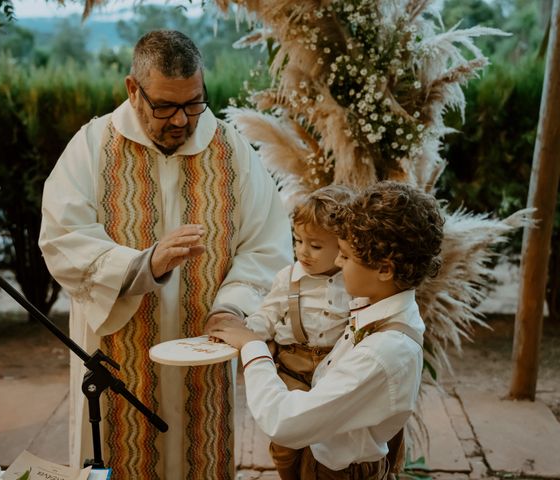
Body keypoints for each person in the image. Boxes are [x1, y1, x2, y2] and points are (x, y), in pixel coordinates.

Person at [38, 30, 292, 480]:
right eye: (165, 106)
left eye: (194, 103)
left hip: (205, 356)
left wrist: (232, 308)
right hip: (120, 359)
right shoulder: (93, 146)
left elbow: (267, 245)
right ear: (132, 90)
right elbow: (63, 237)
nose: (181, 121)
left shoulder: (231, 150)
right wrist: (142, 265)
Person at [210, 181, 444, 479]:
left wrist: (252, 347)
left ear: (385, 269)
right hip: (324, 455)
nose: (336, 262)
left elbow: (284, 422)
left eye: (345, 256)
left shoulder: (383, 353)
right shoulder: (378, 308)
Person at [242, 185, 353, 479]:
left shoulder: (353, 282)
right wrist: (249, 330)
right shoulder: (288, 277)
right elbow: (268, 313)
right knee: (286, 440)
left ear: (344, 246)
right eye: (298, 240)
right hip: (294, 370)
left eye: (315, 246)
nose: (303, 251)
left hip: (335, 372)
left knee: (327, 443)